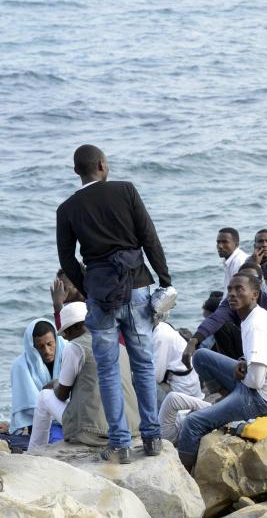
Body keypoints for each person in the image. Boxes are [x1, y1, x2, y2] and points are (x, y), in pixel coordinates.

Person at [56, 144, 170, 463]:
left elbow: (67, 258)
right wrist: (164, 278)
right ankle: (152, 437)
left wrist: (88, 287)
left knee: (107, 368)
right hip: (136, 285)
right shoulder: (126, 190)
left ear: (77, 171)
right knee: (143, 362)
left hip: (101, 293)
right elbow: (149, 236)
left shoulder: (67, 209)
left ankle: (119, 443)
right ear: (103, 165)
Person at [178, 273, 267, 471]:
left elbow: (256, 381)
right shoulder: (252, 317)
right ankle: (227, 400)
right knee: (202, 356)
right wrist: (243, 362)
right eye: (230, 289)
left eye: (239, 289)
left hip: (265, 401)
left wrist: (245, 372)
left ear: (255, 294)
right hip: (257, 387)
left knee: (192, 423)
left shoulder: (256, 325)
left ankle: (187, 477)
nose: (232, 294)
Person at [28, 302, 142, 451]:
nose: (65, 338)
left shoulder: (75, 347)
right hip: (131, 429)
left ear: (77, 326)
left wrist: (56, 383)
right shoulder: (119, 345)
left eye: (66, 332)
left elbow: (61, 395)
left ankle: (34, 451)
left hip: (94, 433)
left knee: (44, 396)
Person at [184, 262, 267, 364]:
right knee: (221, 328)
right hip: (245, 351)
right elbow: (216, 318)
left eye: (251, 279)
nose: (233, 293)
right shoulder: (231, 301)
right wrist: (194, 340)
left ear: (260, 284)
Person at [9, 319, 64, 435]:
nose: (47, 351)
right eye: (40, 346)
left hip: (72, 414)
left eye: (50, 344)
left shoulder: (69, 353)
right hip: (40, 420)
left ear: (56, 340)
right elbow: (30, 408)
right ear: (32, 347)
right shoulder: (20, 366)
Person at [152, 319, 203, 399]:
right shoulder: (163, 326)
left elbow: (156, 377)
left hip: (183, 393)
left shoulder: (160, 337)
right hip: (191, 386)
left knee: (141, 379)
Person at [216, 227, 247, 293]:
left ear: (236, 244)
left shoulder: (239, 262)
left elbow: (238, 293)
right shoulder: (229, 259)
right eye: (218, 242)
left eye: (225, 242)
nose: (220, 246)